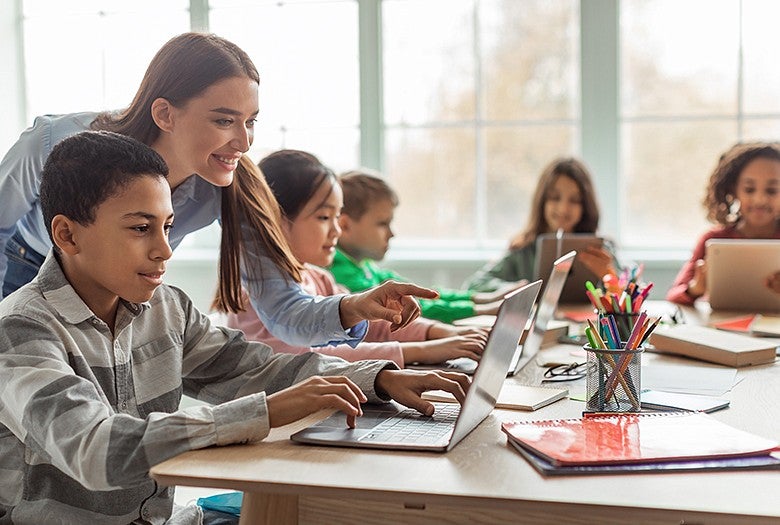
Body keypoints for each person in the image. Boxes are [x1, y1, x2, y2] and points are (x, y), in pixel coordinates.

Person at [0, 130, 470, 524]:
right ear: (66, 234)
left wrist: (378, 377)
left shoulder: (167, 307)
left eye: (168, 227)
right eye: (141, 228)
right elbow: (96, 449)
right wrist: (262, 412)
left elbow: (254, 367)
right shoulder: (20, 329)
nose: (165, 250)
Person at [0, 31, 436, 348]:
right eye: (224, 120)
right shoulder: (54, 141)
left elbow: (282, 309)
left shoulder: (226, 184)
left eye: (251, 122)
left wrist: (357, 306)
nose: (244, 143)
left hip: (118, 286)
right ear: (165, 114)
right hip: (28, 269)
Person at [224, 150, 488, 367]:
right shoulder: (256, 295)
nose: (337, 230)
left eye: (337, 218)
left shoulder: (320, 279)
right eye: (324, 218)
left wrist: (442, 333)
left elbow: (372, 325)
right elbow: (310, 360)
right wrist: (422, 351)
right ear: (277, 220)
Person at [328, 169, 519, 324]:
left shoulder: (364, 265)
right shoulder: (338, 273)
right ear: (345, 225)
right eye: (382, 224)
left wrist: (482, 298)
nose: (391, 234)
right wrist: (484, 309)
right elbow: (414, 310)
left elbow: (421, 293)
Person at [464, 157, 618, 293]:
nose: (563, 208)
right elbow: (474, 285)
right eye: (554, 197)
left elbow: (634, 293)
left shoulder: (601, 250)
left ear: (585, 206)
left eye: (574, 200)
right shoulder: (523, 250)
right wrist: (516, 290)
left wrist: (610, 277)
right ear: (542, 201)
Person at [666, 142, 780, 305]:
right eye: (749, 189)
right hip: (720, 328)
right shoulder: (713, 239)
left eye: (772, 190)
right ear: (734, 190)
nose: (760, 200)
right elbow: (673, 296)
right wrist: (696, 288)